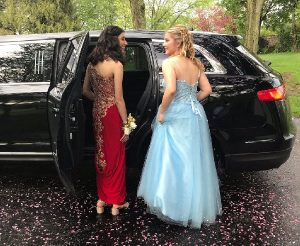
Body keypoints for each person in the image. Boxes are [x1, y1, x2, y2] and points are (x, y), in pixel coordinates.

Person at [137, 25, 222, 228]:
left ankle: (174, 207)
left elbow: (171, 90)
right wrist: (192, 100)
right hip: (194, 114)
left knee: (173, 161)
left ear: (178, 42)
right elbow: (207, 90)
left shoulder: (170, 63)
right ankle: (193, 207)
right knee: (193, 160)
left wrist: (163, 111)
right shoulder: (195, 63)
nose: (163, 44)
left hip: (176, 114)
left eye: (166, 40)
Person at [83, 26, 129, 216]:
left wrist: (100, 100)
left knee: (101, 153)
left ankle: (102, 200)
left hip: (97, 112)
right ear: (113, 40)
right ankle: (117, 202)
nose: (125, 42)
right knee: (116, 154)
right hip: (111, 114)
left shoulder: (91, 64)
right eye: (123, 39)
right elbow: (119, 98)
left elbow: (85, 92)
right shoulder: (117, 64)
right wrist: (127, 125)